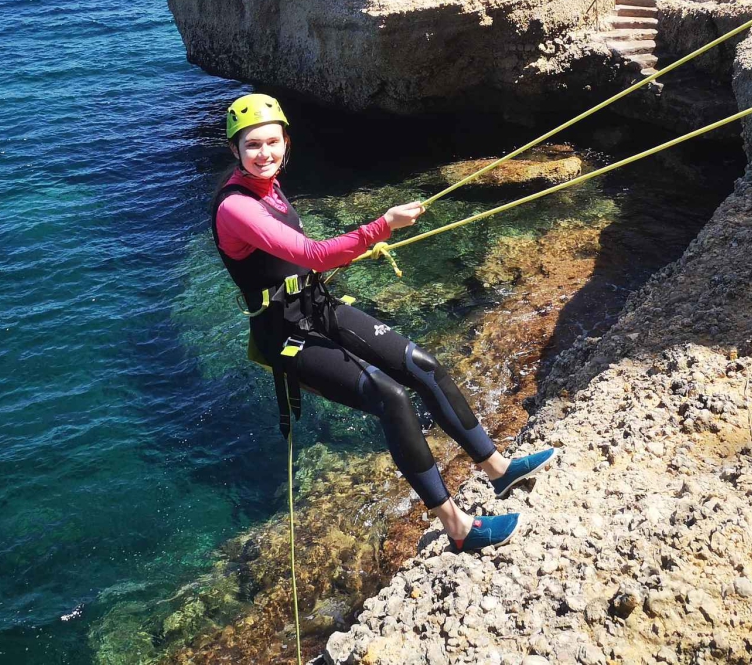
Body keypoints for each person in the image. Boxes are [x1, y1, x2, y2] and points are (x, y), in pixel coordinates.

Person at [210, 94, 556, 553]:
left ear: (286, 142)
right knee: (389, 397)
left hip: (317, 306)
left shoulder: (269, 186)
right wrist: (381, 227)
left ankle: (499, 469)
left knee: (422, 365)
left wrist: (343, 253)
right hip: (287, 334)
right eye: (252, 145)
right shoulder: (236, 206)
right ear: (234, 150)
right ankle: (458, 529)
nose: (265, 153)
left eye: (273, 142)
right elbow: (311, 252)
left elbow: (294, 257)